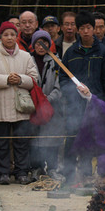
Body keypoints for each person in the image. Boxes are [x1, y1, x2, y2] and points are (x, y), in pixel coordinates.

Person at [59, 11, 105, 185]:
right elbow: (62, 78)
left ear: (94, 29)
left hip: (95, 104)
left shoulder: (103, 52)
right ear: (77, 30)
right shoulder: (71, 53)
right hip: (74, 104)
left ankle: (86, 176)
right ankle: (67, 177)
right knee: (72, 137)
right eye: (81, 28)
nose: (85, 31)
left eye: (89, 28)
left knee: (90, 140)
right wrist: (72, 92)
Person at [0, 22, 38, 185]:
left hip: (20, 107)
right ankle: (3, 173)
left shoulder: (26, 56)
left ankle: (21, 172)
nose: (9, 38)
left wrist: (21, 79)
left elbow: (34, 78)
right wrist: (6, 79)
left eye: (12, 34)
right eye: (6, 34)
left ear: (17, 36)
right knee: (1, 142)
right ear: (0, 37)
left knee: (21, 142)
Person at [29, 30, 64, 179]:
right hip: (33, 105)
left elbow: (60, 86)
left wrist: (47, 100)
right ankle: (36, 167)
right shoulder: (28, 60)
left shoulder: (57, 62)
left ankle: (52, 167)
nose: (41, 46)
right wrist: (37, 101)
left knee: (52, 137)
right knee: (34, 138)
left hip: (52, 105)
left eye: (44, 43)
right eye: (38, 43)